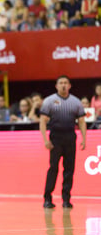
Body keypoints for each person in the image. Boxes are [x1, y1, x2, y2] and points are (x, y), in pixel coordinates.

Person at [40, 75, 86, 209]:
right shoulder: (49, 101)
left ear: (70, 85)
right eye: (61, 83)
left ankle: (66, 199)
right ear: (56, 86)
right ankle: (47, 198)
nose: (63, 85)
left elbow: (82, 122)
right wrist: (45, 139)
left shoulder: (76, 102)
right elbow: (42, 121)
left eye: (66, 83)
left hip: (70, 137)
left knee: (69, 169)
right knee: (53, 168)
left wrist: (84, 139)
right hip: (56, 137)